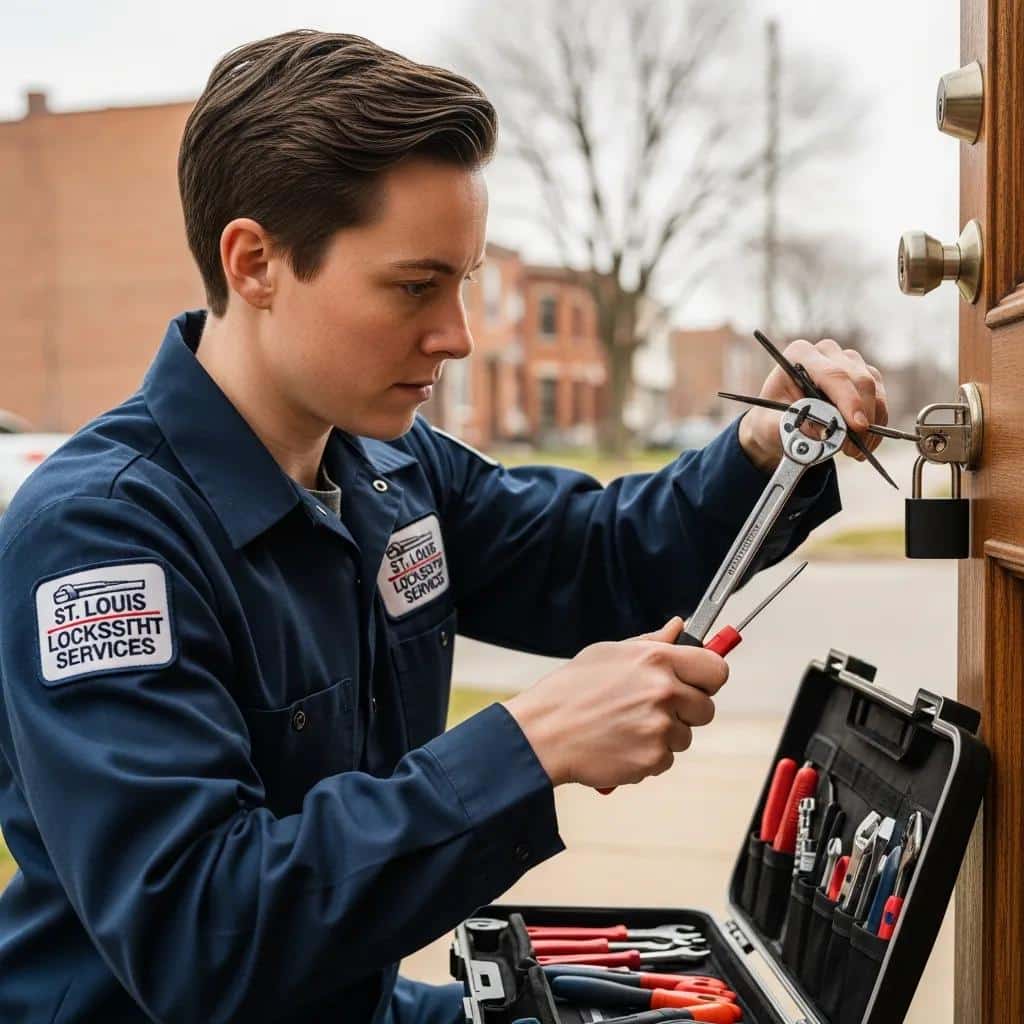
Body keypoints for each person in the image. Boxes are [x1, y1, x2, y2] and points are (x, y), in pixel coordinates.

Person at [0, 30, 888, 1024]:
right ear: (254, 262)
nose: (458, 335)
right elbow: (204, 934)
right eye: (416, 285)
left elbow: (598, 557)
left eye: (463, 281)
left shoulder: (390, 467)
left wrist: (762, 452)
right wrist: (530, 740)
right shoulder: (104, 540)